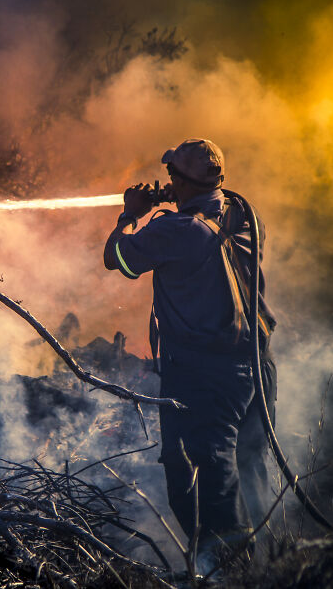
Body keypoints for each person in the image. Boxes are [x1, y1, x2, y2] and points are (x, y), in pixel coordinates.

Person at [102, 138, 277, 574]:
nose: (166, 182)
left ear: (179, 180)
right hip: (256, 364)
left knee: (202, 475)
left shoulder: (175, 230)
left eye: (171, 176)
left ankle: (228, 571)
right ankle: (277, 563)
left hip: (204, 374)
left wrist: (131, 214)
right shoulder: (240, 212)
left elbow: (117, 258)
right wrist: (174, 202)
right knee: (251, 467)